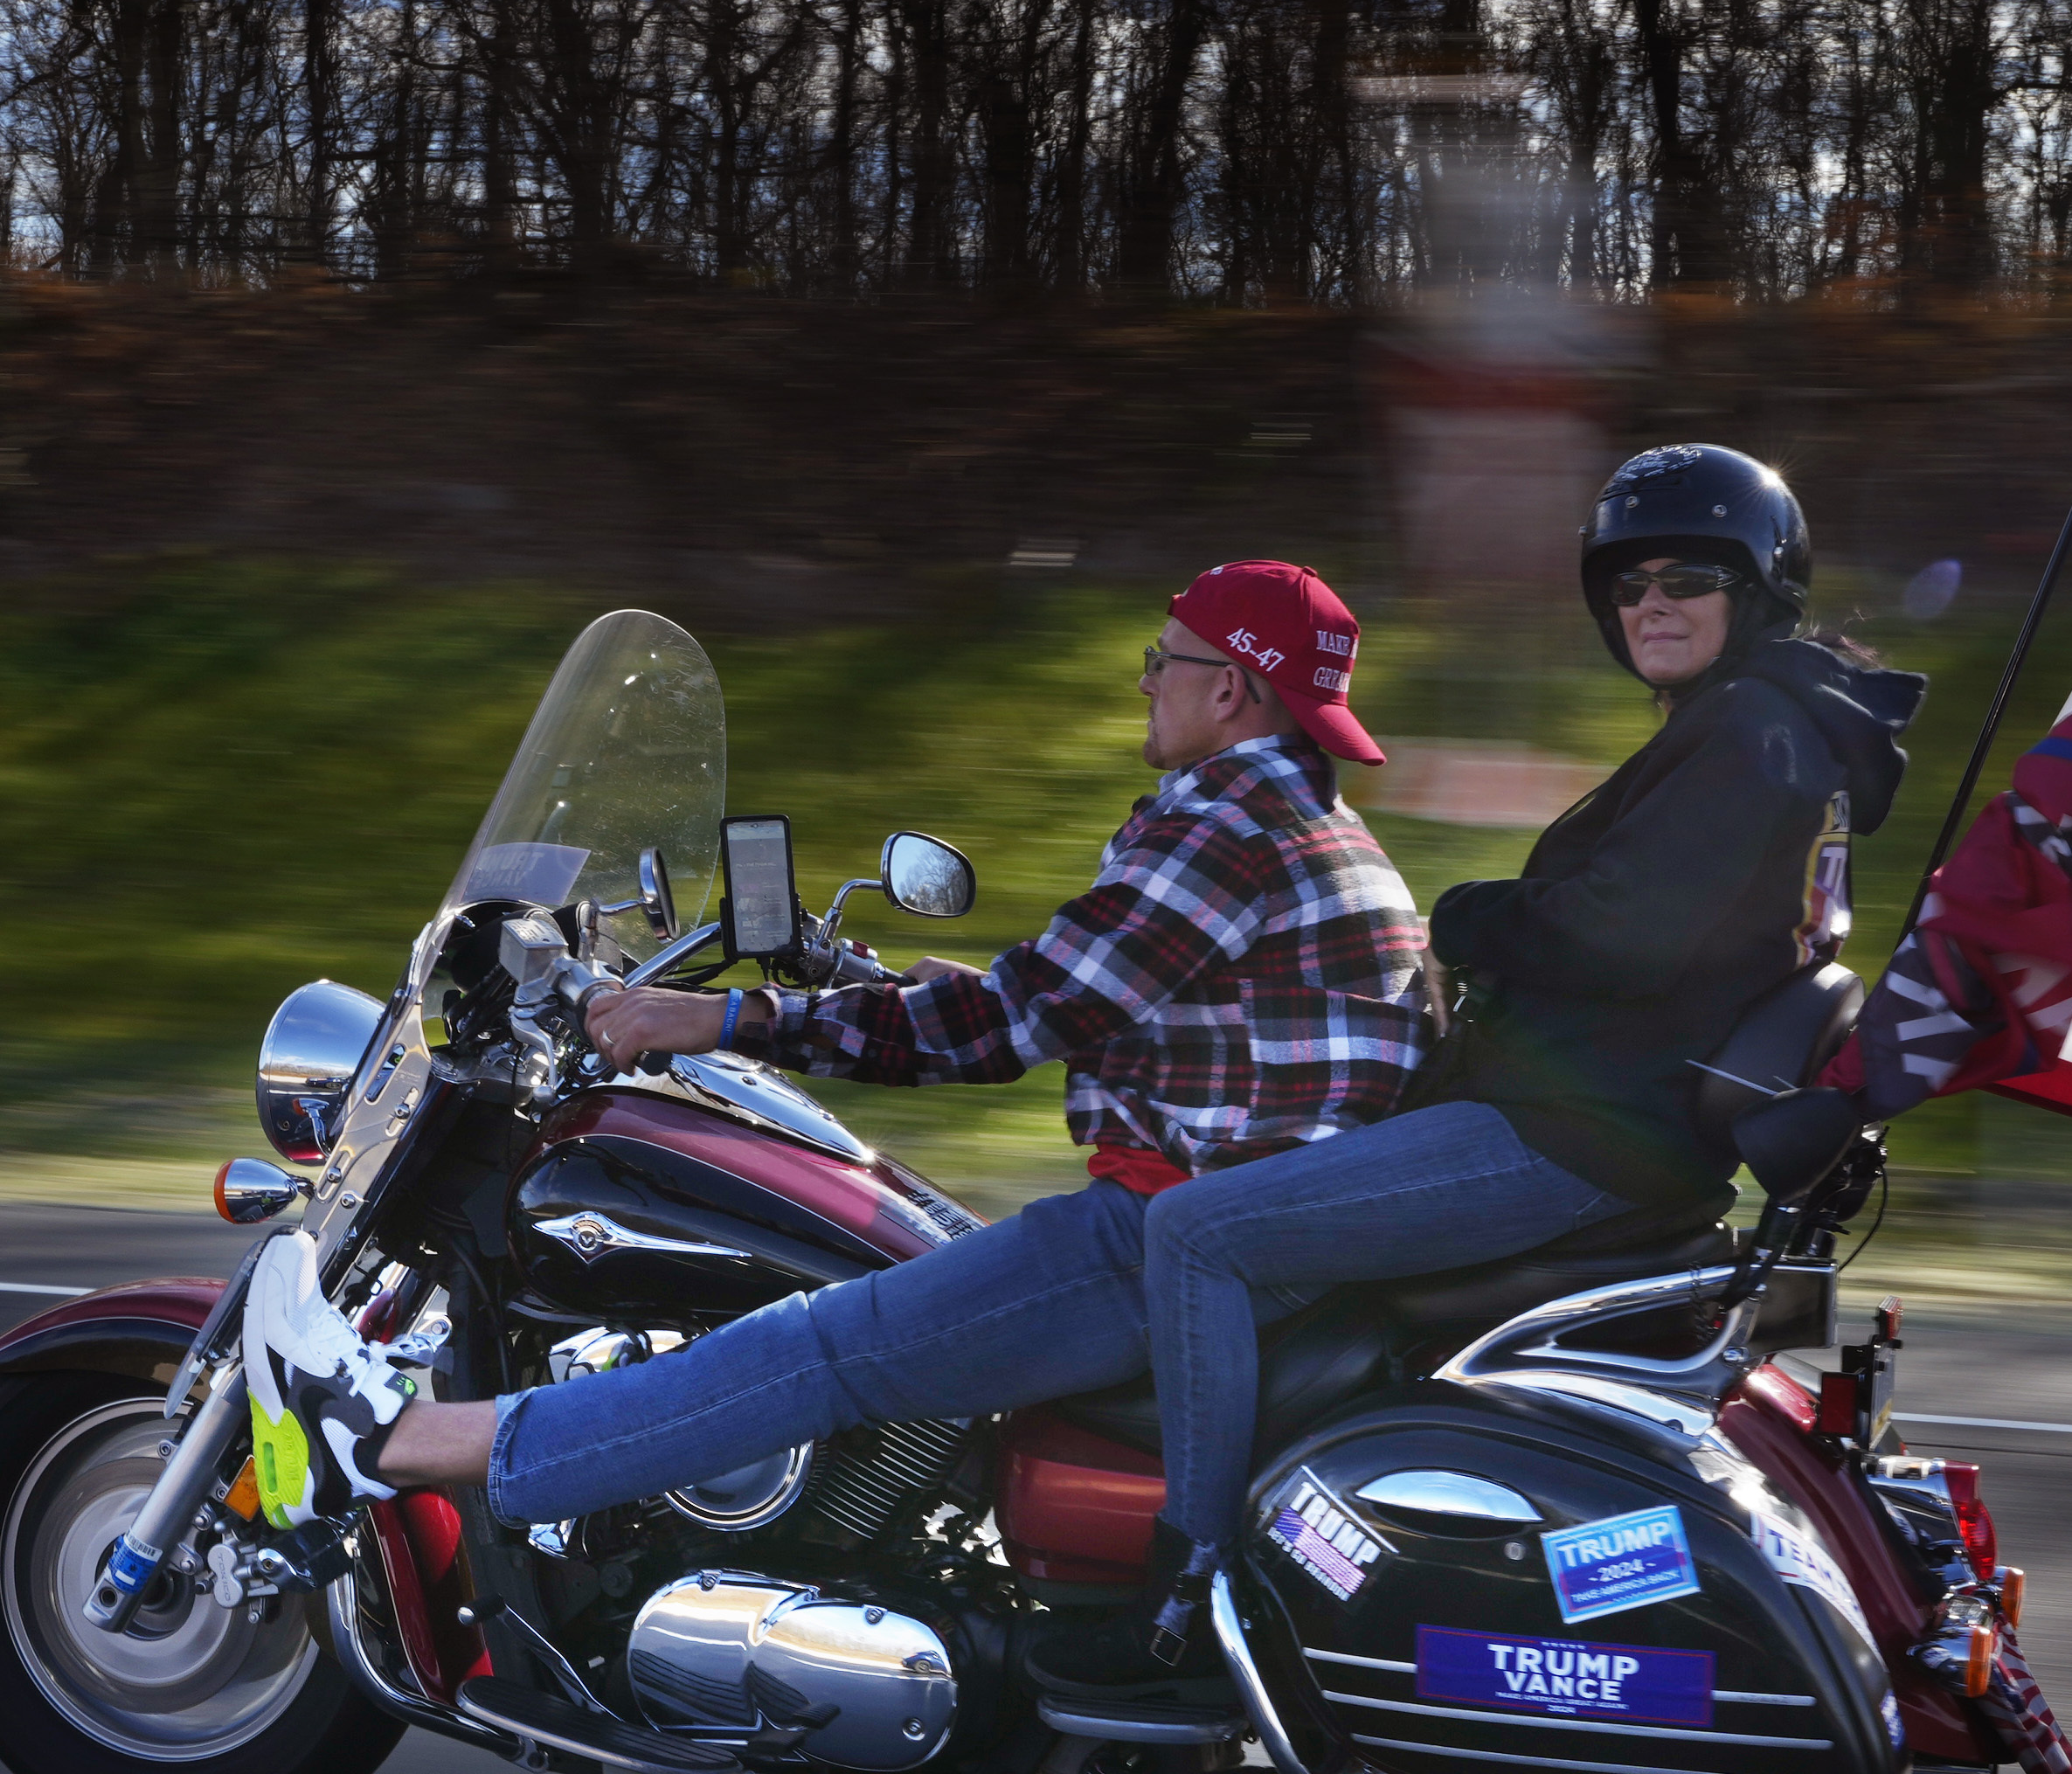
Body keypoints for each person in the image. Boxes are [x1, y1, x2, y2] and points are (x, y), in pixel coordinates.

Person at [240, 560, 1436, 1600]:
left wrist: (711, 1018)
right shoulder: (1304, 822)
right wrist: (875, 989)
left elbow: (1006, 1026)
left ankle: (389, 1441)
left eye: (1160, 660)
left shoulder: (1223, 825)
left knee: (806, 1347)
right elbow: (1153, 1012)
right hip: (1261, 1228)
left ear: (1229, 686)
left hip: (1171, 1232)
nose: (1143, 682)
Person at [1133, 445, 1925, 1659]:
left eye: (1689, 578)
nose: (1651, 605)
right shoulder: (1771, 725)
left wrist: (1464, 917)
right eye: (1629, 584)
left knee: (1195, 1231)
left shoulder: (1752, 731)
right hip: (1615, 1121)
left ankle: (1187, 1595)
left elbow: (1626, 937)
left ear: (1760, 585)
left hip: (1579, 1137)